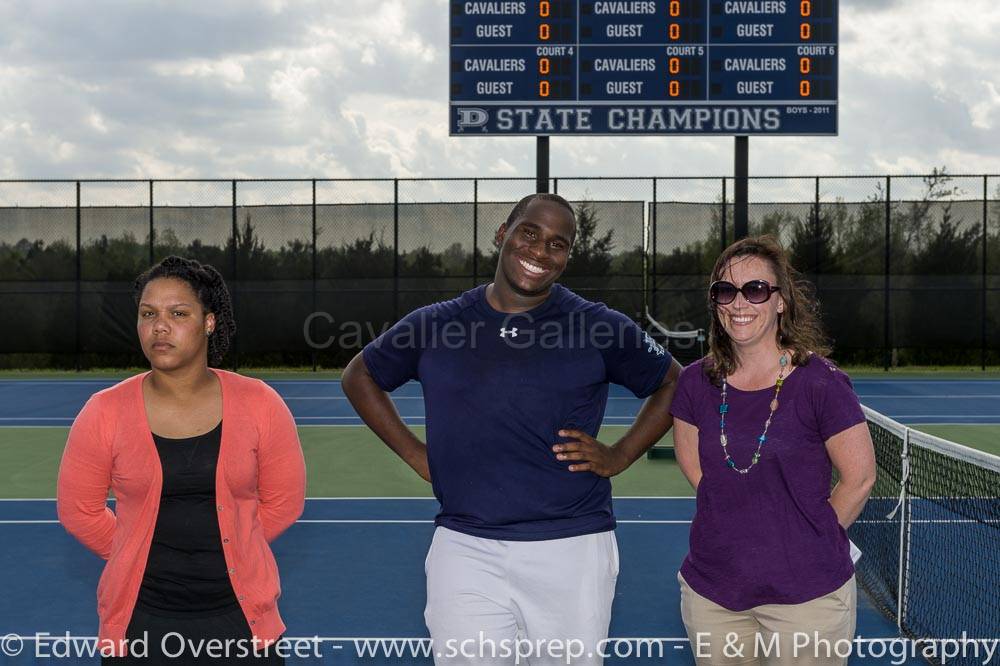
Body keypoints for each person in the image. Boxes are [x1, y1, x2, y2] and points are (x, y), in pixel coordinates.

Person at [342, 193, 682, 664]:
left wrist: (620, 453)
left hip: (572, 548)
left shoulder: (596, 325)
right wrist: (417, 454)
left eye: (557, 244)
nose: (540, 251)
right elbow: (359, 375)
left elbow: (672, 383)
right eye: (529, 233)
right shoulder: (440, 323)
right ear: (503, 234)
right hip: (465, 547)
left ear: (567, 257)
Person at [57, 256, 306, 664]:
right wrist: (133, 549)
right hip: (141, 622)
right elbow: (78, 511)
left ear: (209, 321)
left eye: (178, 313)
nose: (159, 326)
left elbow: (284, 502)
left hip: (241, 623)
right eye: (148, 314)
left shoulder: (262, 403)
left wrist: (237, 546)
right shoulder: (103, 412)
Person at [669, 235, 877, 665]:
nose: (739, 302)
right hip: (714, 596)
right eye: (725, 291)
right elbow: (694, 465)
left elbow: (859, 478)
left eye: (756, 289)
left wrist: (805, 538)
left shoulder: (822, 383)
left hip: (808, 599)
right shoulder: (693, 383)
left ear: (780, 301)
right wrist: (739, 525)